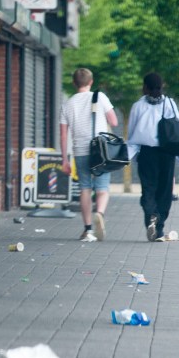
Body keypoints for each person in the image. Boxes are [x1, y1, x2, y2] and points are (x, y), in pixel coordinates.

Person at [125, 72, 179, 241]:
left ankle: (151, 216)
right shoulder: (169, 103)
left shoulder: (137, 106)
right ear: (162, 87)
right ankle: (159, 228)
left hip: (147, 153)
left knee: (148, 188)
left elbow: (131, 133)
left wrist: (128, 155)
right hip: (167, 153)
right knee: (165, 191)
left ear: (144, 87)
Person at [59, 68, 119, 242]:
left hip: (80, 151)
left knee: (85, 188)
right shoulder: (100, 97)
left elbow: (63, 135)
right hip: (100, 151)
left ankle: (87, 230)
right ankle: (99, 213)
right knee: (102, 188)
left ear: (74, 83)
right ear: (91, 82)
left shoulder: (68, 104)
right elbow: (114, 121)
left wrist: (64, 159)